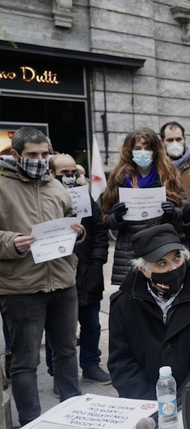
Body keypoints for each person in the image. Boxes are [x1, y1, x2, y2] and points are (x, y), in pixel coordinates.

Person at [0, 127, 85, 425]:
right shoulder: (1, 186)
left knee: (65, 352)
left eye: (44, 154)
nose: (39, 160)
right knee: (25, 362)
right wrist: (11, 243)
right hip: (21, 288)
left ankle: (74, 413)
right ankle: (32, 421)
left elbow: (72, 220)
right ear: (15, 155)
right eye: (31, 155)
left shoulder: (56, 186)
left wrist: (79, 231)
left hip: (63, 282)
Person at [108, 224, 190, 399]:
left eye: (177, 258)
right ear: (144, 271)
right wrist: (151, 404)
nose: (173, 268)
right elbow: (121, 362)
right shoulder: (123, 304)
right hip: (145, 402)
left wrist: (181, 401)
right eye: (162, 263)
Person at [48, 154, 111, 385]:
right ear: (52, 173)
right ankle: (59, 374)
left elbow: (100, 231)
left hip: (88, 273)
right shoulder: (44, 199)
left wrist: (96, 262)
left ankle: (91, 365)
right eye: (64, 173)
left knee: (92, 325)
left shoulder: (85, 199)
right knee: (60, 330)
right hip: (57, 274)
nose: (70, 177)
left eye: (73, 172)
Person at [101, 128, 185, 286]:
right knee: (131, 303)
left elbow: (184, 213)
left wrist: (173, 213)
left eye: (147, 148)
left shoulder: (169, 175)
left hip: (162, 249)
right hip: (129, 252)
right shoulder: (118, 177)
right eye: (138, 149)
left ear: (155, 150)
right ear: (129, 151)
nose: (143, 152)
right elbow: (107, 220)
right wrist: (118, 217)